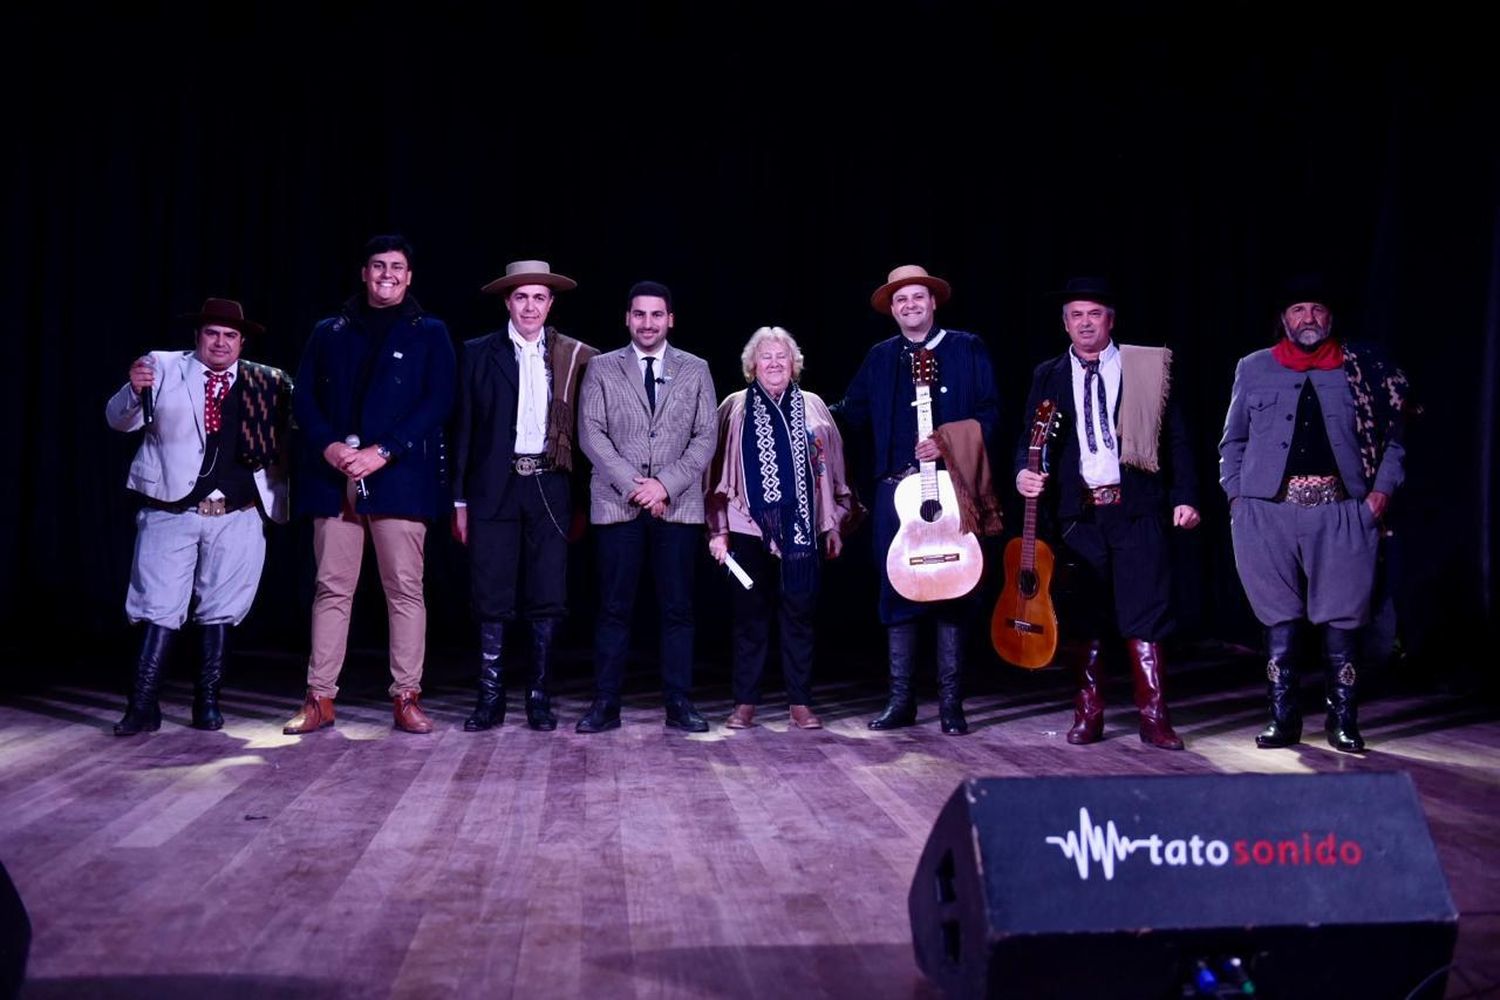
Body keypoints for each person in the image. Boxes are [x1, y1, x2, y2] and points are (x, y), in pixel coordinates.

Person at [1219, 275, 1411, 753]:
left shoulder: (1362, 367)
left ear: (1331, 316)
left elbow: (1395, 436)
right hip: (1267, 512)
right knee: (1278, 621)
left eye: (1317, 309)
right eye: (1298, 309)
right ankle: (1283, 719)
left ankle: (1342, 720)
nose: (1308, 318)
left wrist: (1379, 495)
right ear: (1283, 318)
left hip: (1343, 511)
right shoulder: (1254, 367)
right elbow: (1234, 440)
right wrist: (1237, 498)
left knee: (1343, 620)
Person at [1015, 277, 1200, 751]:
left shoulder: (1145, 367)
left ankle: (1154, 718)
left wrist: (1185, 495)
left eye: (1093, 314)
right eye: (1076, 315)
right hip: (1079, 514)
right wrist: (1023, 473)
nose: (1084, 323)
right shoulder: (1049, 373)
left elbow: (1176, 435)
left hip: (1137, 507)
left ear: (1110, 320)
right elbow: (1029, 441)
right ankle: (1088, 712)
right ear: (1065, 324)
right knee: (1085, 616)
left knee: (1147, 612)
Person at [283, 234, 456, 736]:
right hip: (333, 475)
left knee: (404, 590)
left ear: (409, 276)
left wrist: (384, 451)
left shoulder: (430, 332)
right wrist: (331, 448)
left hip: (399, 477)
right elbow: (305, 400)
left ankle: (406, 696)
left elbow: (439, 400)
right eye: (378, 266)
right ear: (364, 273)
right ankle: (320, 698)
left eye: (397, 267)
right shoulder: (329, 331)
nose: (387, 275)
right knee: (332, 588)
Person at [105, 297, 292, 735]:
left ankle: (207, 703)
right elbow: (118, 421)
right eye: (212, 333)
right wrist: (132, 390)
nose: (221, 343)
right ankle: (143, 705)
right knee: (158, 607)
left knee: (221, 609)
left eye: (230, 335)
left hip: (237, 513)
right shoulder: (163, 366)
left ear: (242, 342)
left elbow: (294, 435)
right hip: (173, 508)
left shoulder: (268, 382)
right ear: (198, 336)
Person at [834, 264, 1003, 736]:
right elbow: (853, 414)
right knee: (897, 589)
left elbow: (991, 414)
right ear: (892, 309)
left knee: (955, 589)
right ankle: (901, 700)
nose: (910, 306)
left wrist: (948, 441)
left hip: (952, 490)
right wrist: (806, 415)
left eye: (917, 298)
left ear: (933, 303)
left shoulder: (967, 348)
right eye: (900, 300)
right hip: (896, 493)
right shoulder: (880, 357)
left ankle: (952, 705)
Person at [451, 260, 599, 732]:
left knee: (547, 592)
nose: (530, 306)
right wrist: (459, 500)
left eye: (539, 297)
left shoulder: (573, 357)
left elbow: (586, 432)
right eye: (521, 297)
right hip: (495, 485)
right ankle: (490, 697)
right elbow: (464, 431)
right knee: (491, 592)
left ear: (550, 304)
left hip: (550, 484)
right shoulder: (478, 352)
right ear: (507, 302)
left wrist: (579, 499)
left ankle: (539, 697)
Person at [575, 281, 718, 733]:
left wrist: (665, 486)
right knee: (614, 608)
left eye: (657, 315)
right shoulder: (600, 367)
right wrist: (637, 486)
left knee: (677, 608)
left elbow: (705, 438)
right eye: (640, 314)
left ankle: (679, 703)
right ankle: (606, 704)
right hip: (618, 505)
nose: (648, 323)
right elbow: (590, 434)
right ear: (627, 318)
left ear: (670, 319)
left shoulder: (696, 369)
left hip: (676, 507)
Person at [705, 326, 860, 730]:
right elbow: (715, 473)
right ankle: (744, 703)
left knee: (800, 614)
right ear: (751, 366)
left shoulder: (813, 406)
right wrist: (717, 530)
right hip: (745, 526)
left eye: (782, 357)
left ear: (794, 365)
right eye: (766, 358)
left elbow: (833, 471)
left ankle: (800, 703)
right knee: (749, 615)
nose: (774, 364)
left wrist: (833, 525)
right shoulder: (733, 407)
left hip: (803, 527)